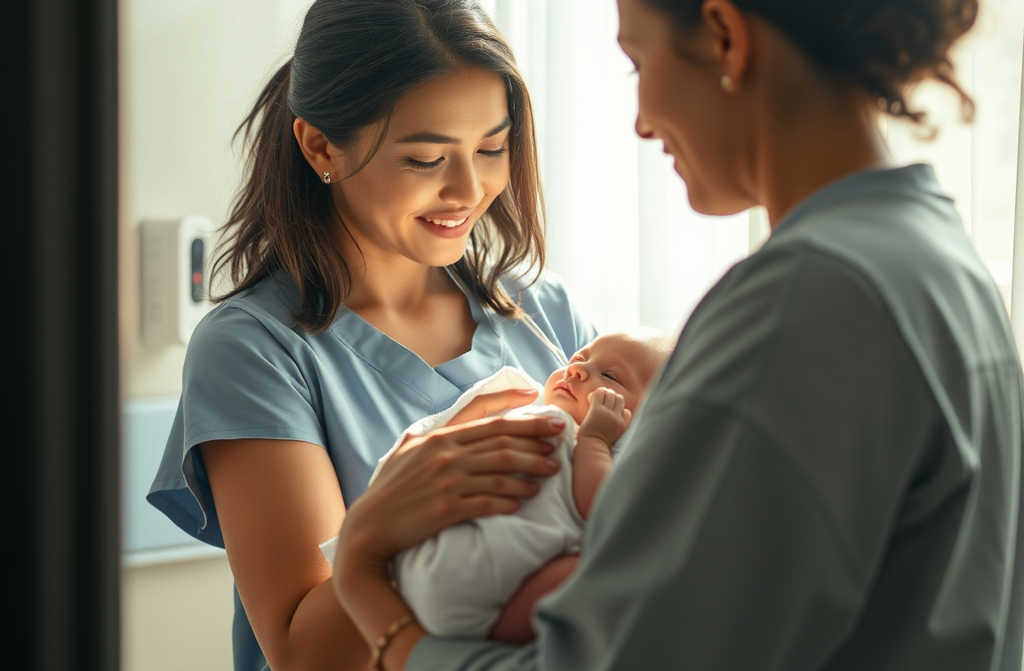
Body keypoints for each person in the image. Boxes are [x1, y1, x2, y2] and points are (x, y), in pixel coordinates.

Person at [330, 0, 1024, 669]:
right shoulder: (942, 265)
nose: (639, 122)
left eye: (637, 61)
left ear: (725, 36)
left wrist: (369, 582)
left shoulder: (805, 307)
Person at [146, 2, 602, 670]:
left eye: (492, 148)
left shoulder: (545, 309)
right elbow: (306, 653)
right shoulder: (253, 350)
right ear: (321, 146)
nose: (469, 190)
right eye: (425, 158)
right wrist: (403, 503)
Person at [320, 331, 671, 643]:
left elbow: (600, 510)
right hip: (433, 569)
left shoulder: (605, 454)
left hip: (492, 590)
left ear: (642, 423)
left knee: (591, 574)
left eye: (609, 375)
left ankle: (500, 638)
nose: (577, 370)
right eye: (579, 358)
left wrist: (595, 439)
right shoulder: (530, 413)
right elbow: (414, 466)